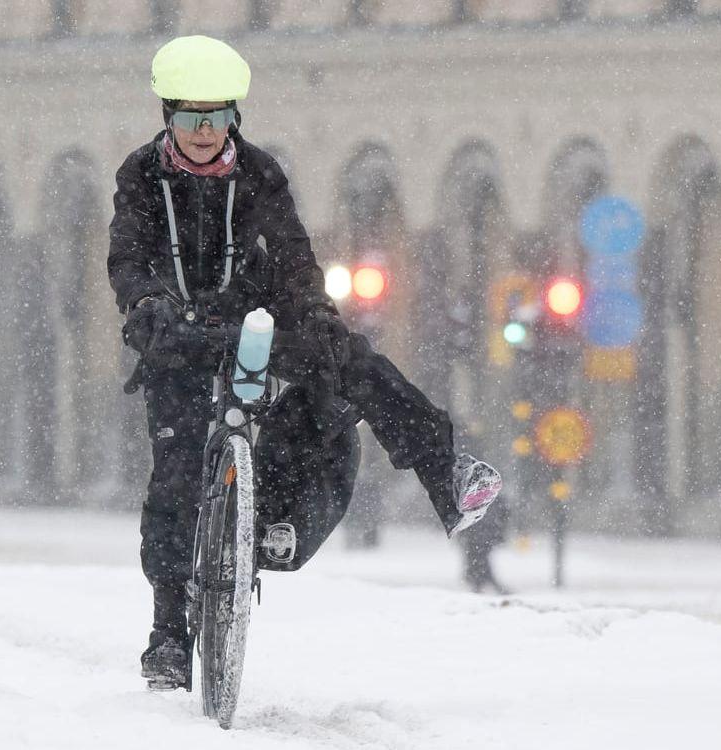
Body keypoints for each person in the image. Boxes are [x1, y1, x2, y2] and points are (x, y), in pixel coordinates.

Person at [110, 35, 502, 691]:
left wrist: (314, 314)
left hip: (251, 315)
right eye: (188, 118)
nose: (202, 132)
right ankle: (168, 637)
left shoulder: (260, 173)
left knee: (343, 359)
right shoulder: (140, 176)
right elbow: (129, 256)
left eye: (215, 117)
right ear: (166, 118)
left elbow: (292, 255)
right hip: (176, 331)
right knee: (175, 479)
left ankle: (442, 471)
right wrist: (149, 303)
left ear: (234, 116)